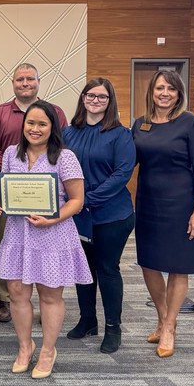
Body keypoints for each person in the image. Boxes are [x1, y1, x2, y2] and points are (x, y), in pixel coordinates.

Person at [0, 100, 91, 379]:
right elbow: (9, 191)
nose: (34, 129)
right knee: (17, 292)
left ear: (53, 127)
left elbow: (77, 201)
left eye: (42, 124)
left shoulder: (65, 157)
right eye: (30, 123)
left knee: (49, 295)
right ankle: (25, 346)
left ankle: (48, 350)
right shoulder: (12, 154)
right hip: (18, 232)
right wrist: (1, 205)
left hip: (53, 234)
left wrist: (53, 218)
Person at [132, 70, 194, 358]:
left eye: (171, 89)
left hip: (181, 206)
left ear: (179, 94)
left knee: (178, 266)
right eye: (159, 88)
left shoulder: (190, 123)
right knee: (149, 264)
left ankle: (168, 327)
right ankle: (165, 318)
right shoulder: (140, 124)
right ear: (151, 91)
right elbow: (129, 162)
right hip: (148, 204)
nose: (164, 93)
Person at [0, 63, 68, 323]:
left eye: (29, 79)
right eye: (19, 79)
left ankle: (46, 300)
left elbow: (62, 145)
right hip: (10, 194)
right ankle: (6, 299)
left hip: (49, 196)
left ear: (38, 82)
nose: (25, 83)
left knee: (46, 247)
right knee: (8, 245)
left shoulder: (55, 112)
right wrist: (17, 179)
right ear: (13, 83)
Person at [62, 78, 136, 354]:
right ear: (82, 98)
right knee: (84, 270)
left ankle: (113, 328)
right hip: (78, 216)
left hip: (111, 215)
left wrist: (85, 200)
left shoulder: (121, 134)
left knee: (107, 270)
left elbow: (122, 175)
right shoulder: (68, 132)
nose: (95, 100)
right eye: (91, 95)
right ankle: (87, 320)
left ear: (110, 101)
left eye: (102, 97)